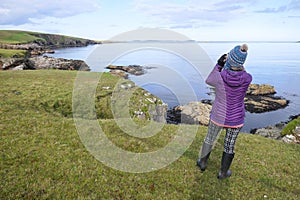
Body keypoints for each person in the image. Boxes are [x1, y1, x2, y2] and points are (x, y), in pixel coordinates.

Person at [196, 44, 252, 179]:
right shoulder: (247, 78)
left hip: (218, 116)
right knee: (229, 146)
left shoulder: (220, 76)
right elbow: (240, 72)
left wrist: (219, 64)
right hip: (236, 118)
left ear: (229, 60)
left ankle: (203, 162)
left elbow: (209, 79)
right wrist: (237, 62)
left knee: (209, 139)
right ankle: (223, 172)